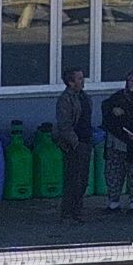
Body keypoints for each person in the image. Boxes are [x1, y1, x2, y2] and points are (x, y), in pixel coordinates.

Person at [100, 71, 133, 208]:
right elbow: (106, 111)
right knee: (114, 174)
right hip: (117, 142)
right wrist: (113, 111)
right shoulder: (117, 98)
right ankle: (113, 203)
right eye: (131, 81)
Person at [52, 66, 93, 223]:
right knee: (73, 180)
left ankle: (77, 211)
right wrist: (75, 143)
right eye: (79, 78)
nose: (83, 81)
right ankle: (68, 213)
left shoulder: (84, 96)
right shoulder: (65, 99)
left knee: (83, 180)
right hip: (75, 144)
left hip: (86, 141)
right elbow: (64, 125)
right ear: (70, 82)